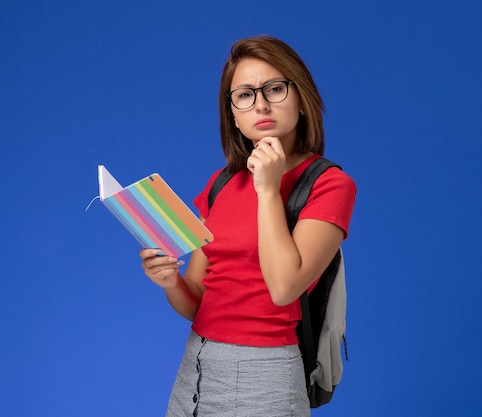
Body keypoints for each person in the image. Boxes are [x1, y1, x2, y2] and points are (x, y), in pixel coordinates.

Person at [140, 36, 356, 417]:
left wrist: (268, 190)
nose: (260, 104)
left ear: (302, 100)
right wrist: (170, 281)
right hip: (196, 367)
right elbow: (198, 301)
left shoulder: (328, 184)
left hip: (266, 375)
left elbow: (285, 288)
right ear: (234, 116)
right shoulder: (220, 184)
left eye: (274, 89)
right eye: (244, 95)